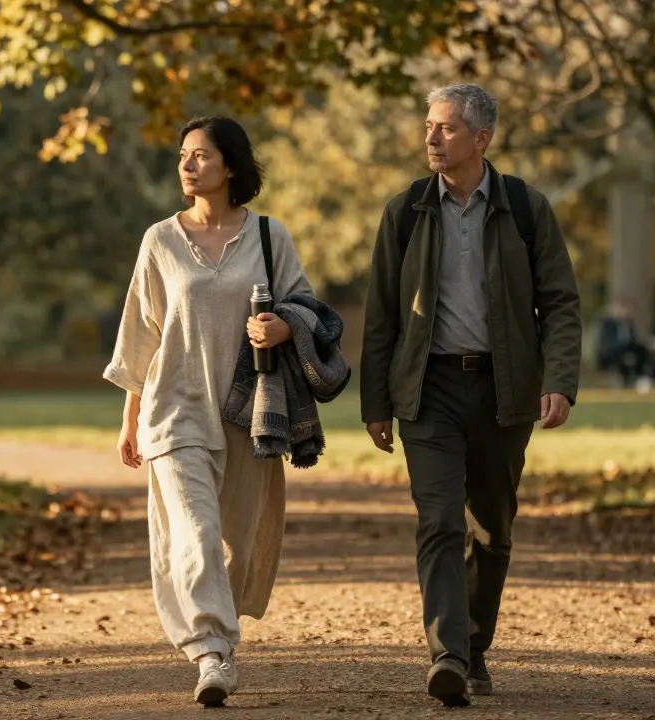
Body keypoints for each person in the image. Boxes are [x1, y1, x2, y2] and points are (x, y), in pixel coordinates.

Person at [359, 84, 582, 707]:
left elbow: (561, 302)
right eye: (429, 125)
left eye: (447, 129)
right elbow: (381, 316)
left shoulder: (524, 207)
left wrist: (560, 380)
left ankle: (474, 646)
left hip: (504, 389)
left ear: (481, 139)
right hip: (427, 390)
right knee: (436, 521)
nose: (432, 138)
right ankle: (447, 654)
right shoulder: (404, 211)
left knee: (490, 529)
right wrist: (376, 402)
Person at [102, 116, 315, 707]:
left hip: (251, 411)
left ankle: (219, 629)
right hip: (174, 411)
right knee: (194, 532)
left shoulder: (270, 238)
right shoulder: (160, 240)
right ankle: (213, 652)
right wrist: (130, 418)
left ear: (230, 165)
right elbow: (140, 335)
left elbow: (306, 309)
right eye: (183, 156)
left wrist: (281, 327)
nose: (187, 165)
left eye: (200, 155)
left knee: (235, 543)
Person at [596, 297, 655, 391]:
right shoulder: (608, 324)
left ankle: (644, 378)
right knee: (624, 358)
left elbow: (633, 340)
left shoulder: (628, 323)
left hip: (627, 350)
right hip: (612, 352)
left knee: (642, 352)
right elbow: (608, 343)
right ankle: (624, 383)